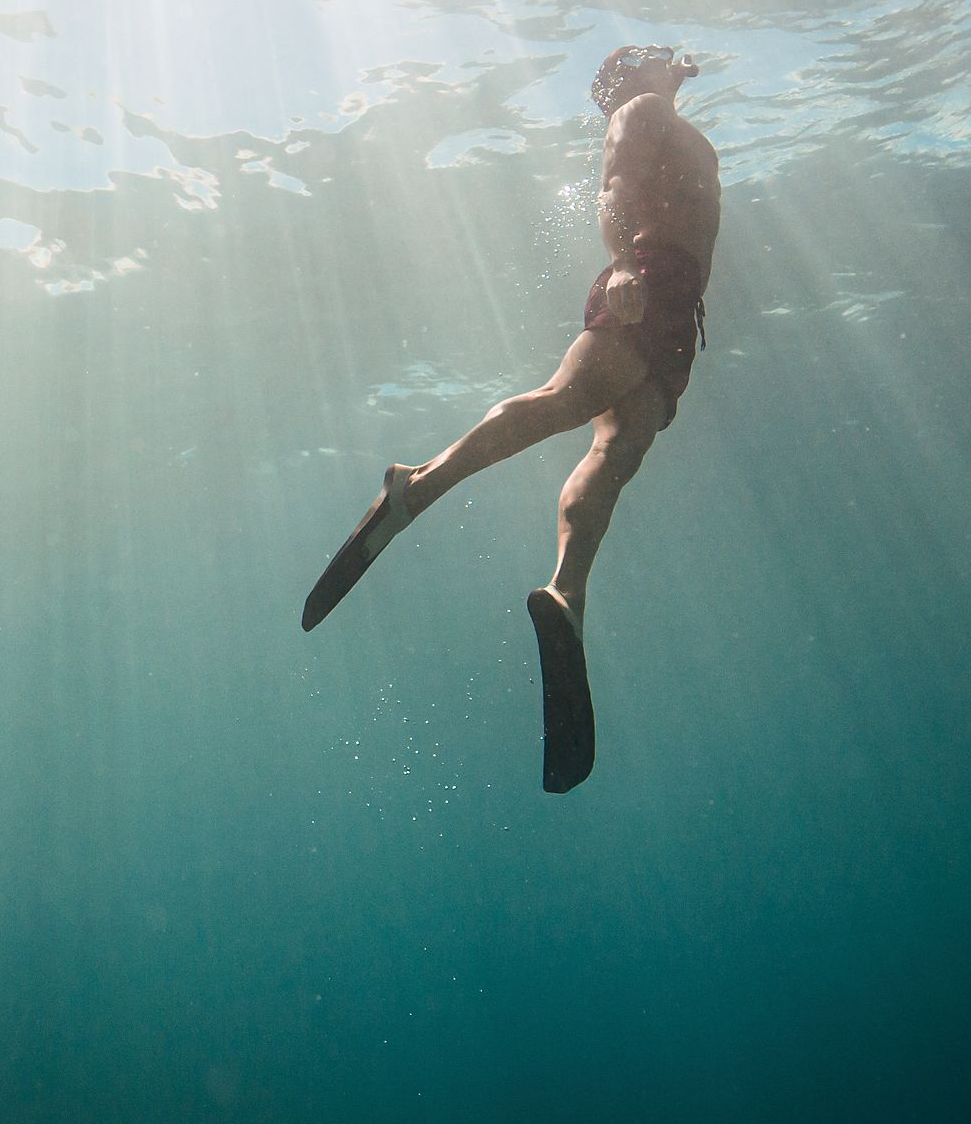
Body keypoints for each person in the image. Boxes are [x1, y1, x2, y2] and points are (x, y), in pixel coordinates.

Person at [303, 44, 721, 789]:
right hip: (648, 276)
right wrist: (623, 262)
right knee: (567, 402)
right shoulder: (638, 109)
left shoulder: (663, 113)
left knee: (619, 449)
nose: (673, 67)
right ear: (630, 76)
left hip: (679, 304)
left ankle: (567, 592)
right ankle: (415, 484)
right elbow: (614, 185)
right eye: (659, 62)